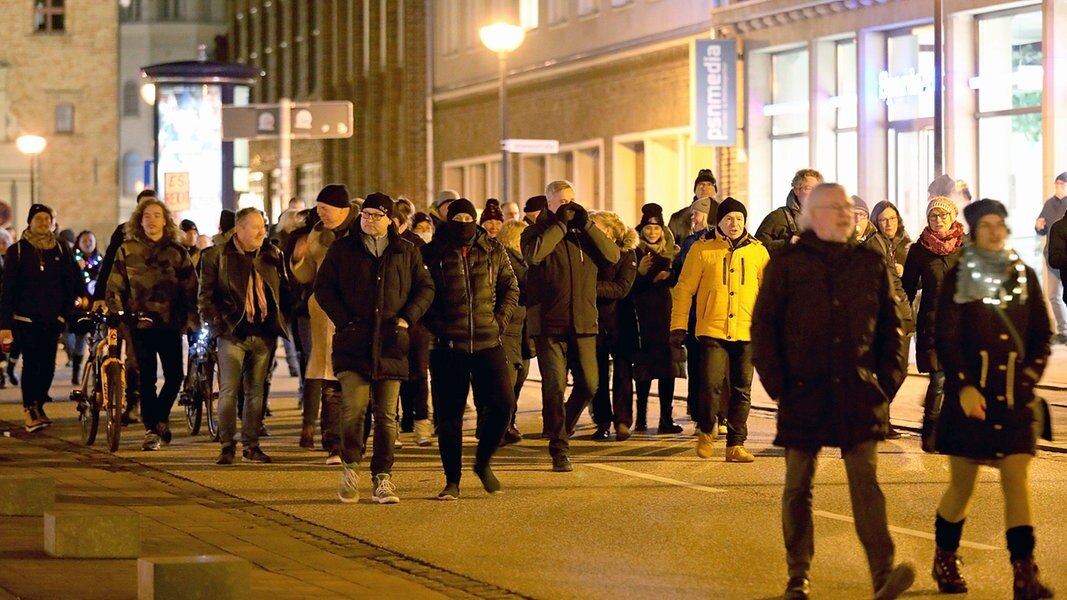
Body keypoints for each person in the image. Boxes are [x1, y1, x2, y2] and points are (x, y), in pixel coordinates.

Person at [751, 183, 913, 600]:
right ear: (813, 214)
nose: (846, 213)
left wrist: (886, 383)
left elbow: (893, 328)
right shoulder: (787, 263)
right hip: (803, 392)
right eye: (836, 207)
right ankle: (797, 576)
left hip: (858, 391)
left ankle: (883, 573)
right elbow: (764, 328)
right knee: (798, 486)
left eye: (849, 207)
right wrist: (780, 387)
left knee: (865, 484)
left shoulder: (868, 262)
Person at [931, 199, 1054, 599]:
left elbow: (1040, 332)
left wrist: (1031, 374)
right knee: (961, 488)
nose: (996, 231)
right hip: (973, 399)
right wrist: (964, 386)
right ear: (974, 231)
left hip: (1014, 397)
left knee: (1016, 482)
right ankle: (945, 558)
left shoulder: (1021, 272)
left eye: (1000, 224)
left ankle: (1024, 574)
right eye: (987, 225)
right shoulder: (959, 276)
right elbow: (946, 338)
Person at [315, 193, 434, 504]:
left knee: (386, 416)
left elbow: (426, 287)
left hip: (392, 343)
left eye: (376, 215)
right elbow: (323, 287)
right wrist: (344, 320)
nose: (368, 220)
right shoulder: (343, 249)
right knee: (353, 408)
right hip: (353, 343)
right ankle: (350, 467)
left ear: (389, 219)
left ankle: (382, 477)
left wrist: (408, 318)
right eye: (365, 214)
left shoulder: (405, 251)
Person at [421, 198, 518, 499]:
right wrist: (438, 325)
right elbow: (421, 294)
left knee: (504, 405)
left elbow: (510, 287)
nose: (464, 222)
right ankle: (452, 479)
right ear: (448, 220)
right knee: (449, 416)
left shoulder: (492, 249)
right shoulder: (432, 253)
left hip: (489, 342)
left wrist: (498, 322)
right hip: (448, 346)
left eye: (468, 216)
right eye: (458, 217)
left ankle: (483, 462)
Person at [521, 180, 620, 472]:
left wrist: (587, 225)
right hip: (550, 324)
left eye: (572, 200)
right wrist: (560, 226)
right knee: (554, 386)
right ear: (549, 204)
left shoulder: (584, 234)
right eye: (562, 201)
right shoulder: (534, 231)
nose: (568, 206)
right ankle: (559, 448)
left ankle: (560, 424)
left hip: (584, 322)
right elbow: (534, 255)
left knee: (590, 384)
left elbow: (613, 255)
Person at [672, 197, 768, 462]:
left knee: (741, 389)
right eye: (728, 219)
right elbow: (684, 289)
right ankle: (706, 428)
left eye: (739, 219)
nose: (734, 223)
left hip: (747, 330)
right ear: (719, 222)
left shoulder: (758, 251)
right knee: (711, 383)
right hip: (712, 329)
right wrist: (678, 325)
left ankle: (735, 445)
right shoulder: (702, 249)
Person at [199, 208, 291, 465]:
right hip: (232, 333)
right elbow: (206, 297)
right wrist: (221, 326)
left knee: (256, 392)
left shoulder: (272, 255)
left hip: (263, 334)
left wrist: (280, 320)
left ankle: (252, 445)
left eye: (263, 226)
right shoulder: (217, 256)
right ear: (239, 230)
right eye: (255, 227)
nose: (262, 232)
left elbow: (284, 290)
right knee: (229, 391)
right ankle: (227, 445)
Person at [106, 196, 199, 451]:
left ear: (165, 221)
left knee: (174, 376)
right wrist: (117, 312)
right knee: (146, 378)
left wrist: (192, 318)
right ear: (139, 220)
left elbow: (191, 288)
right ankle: (152, 430)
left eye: (157, 216)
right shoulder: (127, 249)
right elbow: (115, 285)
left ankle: (159, 417)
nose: (152, 221)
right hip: (140, 324)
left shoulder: (177, 252)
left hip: (170, 322)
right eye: (147, 216)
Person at [291, 184, 359, 462]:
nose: (321, 214)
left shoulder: (360, 230)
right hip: (323, 314)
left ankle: (353, 439)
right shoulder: (317, 233)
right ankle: (333, 443)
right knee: (329, 377)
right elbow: (307, 275)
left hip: (355, 313)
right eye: (319, 208)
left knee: (352, 379)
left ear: (343, 210)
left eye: (326, 209)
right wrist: (299, 259)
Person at [0, 204, 82, 432]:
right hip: (25, 319)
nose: (44, 223)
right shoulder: (17, 251)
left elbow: (71, 282)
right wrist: (5, 324)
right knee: (31, 363)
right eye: (39, 219)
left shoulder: (61, 249)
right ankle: (30, 409)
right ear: (30, 222)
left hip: (52, 319)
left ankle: (39, 404)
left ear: (53, 223)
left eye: (47, 219)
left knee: (47, 366)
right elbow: (7, 290)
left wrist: (63, 314)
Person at [902, 196, 965, 453]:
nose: (938, 221)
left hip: (963, 324)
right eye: (933, 216)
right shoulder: (919, 250)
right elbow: (906, 287)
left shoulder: (967, 247)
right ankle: (929, 431)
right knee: (939, 379)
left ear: (953, 217)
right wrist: (899, 318)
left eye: (943, 216)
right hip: (933, 322)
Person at [855, 197, 913, 440]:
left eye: (860, 214)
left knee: (896, 371)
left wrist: (904, 313)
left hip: (893, 315)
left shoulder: (877, 242)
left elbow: (894, 283)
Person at [629, 203, 686, 434]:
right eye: (648, 228)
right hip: (643, 318)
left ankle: (665, 419)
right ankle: (641, 419)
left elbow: (681, 281)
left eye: (656, 227)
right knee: (643, 370)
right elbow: (629, 286)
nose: (652, 232)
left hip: (667, 317)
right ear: (641, 230)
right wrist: (642, 274)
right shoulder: (634, 252)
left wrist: (670, 274)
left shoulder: (672, 252)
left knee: (667, 369)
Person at [673, 194, 721, 432]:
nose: (693, 217)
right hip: (695, 315)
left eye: (698, 212)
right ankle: (707, 414)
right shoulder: (690, 242)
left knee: (705, 368)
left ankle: (706, 414)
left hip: (705, 314)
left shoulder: (697, 243)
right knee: (702, 367)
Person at [588, 210, 638, 441]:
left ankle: (622, 421)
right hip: (593, 320)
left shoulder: (627, 254)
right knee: (596, 375)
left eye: (595, 226)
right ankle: (602, 420)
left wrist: (588, 287)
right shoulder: (588, 252)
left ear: (609, 230)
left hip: (620, 321)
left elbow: (621, 289)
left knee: (622, 373)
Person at [394, 199, 433, 445]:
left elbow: (425, 285)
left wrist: (411, 314)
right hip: (389, 320)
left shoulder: (416, 245)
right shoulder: (379, 246)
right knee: (391, 374)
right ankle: (394, 423)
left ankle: (421, 423)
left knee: (418, 373)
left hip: (416, 321)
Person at [497, 219, 533, 444]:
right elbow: (526, 284)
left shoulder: (522, 260)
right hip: (509, 327)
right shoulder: (509, 260)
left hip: (522, 328)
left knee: (519, 376)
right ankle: (500, 427)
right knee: (508, 379)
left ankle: (508, 423)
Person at [755, 168, 824, 254]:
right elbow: (757, 246)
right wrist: (787, 243)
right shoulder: (778, 216)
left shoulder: (827, 218)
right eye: (808, 188)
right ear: (796, 190)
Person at [1034, 171, 1067, 344]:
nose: (1058, 187)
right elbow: (1042, 228)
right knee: (1054, 295)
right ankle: (1063, 330)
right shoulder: (1049, 203)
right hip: (1053, 256)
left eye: (1062, 184)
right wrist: (1038, 226)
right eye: (1057, 184)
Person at [69, 229, 102, 385]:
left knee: (99, 340)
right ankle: (76, 370)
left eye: (90, 240)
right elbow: (71, 282)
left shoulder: (100, 261)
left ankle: (97, 371)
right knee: (80, 340)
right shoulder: (74, 261)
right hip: (81, 307)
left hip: (98, 306)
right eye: (84, 241)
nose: (88, 243)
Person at [669, 169, 718, 243]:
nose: (704, 188)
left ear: (715, 190)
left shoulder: (724, 216)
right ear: (695, 190)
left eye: (709, 184)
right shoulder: (678, 218)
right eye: (701, 184)